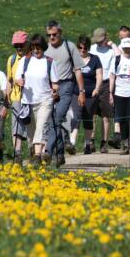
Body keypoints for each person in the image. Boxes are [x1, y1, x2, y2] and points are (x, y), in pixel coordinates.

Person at [44, 20, 85, 167]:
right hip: (49, 88)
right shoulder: (45, 49)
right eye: (49, 35)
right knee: (55, 120)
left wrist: (81, 91)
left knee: (58, 117)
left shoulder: (69, 46)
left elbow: (78, 70)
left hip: (66, 85)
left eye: (54, 34)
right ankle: (60, 154)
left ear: (60, 33)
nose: (52, 38)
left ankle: (47, 150)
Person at [15, 34, 59, 165]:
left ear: (43, 48)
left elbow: (55, 83)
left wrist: (55, 92)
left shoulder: (50, 62)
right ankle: (38, 156)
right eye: (33, 47)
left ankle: (37, 155)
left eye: (38, 48)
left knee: (41, 126)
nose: (35, 50)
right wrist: (19, 81)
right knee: (31, 133)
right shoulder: (25, 61)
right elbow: (17, 78)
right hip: (28, 102)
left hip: (45, 100)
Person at [109, 37, 130, 154]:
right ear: (122, 48)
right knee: (122, 119)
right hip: (119, 93)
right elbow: (112, 76)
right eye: (125, 48)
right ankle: (125, 143)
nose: (127, 50)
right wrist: (110, 93)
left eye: (129, 48)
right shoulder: (116, 60)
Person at [70, 35, 103, 154]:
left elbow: (99, 74)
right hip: (76, 92)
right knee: (76, 116)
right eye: (80, 48)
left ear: (88, 48)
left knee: (88, 118)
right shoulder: (73, 59)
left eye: (85, 48)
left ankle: (87, 143)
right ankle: (72, 142)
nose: (82, 50)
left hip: (91, 93)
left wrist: (97, 88)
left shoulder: (95, 59)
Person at [89, 27, 119, 153]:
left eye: (100, 41)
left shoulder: (111, 51)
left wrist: (112, 44)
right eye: (96, 41)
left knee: (105, 116)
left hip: (106, 83)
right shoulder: (92, 48)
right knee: (92, 114)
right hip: (94, 82)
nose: (98, 44)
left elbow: (119, 56)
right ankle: (90, 140)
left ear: (106, 38)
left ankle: (104, 142)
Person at [6, 31, 31, 164]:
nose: (19, 48)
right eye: (16, 46)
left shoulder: (33, 58)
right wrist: (7, 96)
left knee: (30, 124)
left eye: (21, 45)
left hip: (32, 97)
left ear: (27, 44)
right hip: (16, 96)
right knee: (16, 124)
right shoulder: (12, 59)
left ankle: (33, 150)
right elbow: (9, 80)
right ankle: (18, 153)